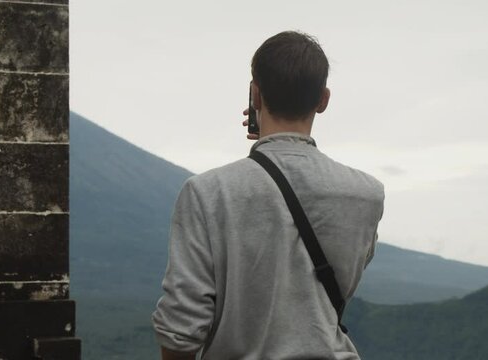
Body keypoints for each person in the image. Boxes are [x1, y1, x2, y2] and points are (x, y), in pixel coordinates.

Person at [152, 31, 385, 360]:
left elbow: (181, 331)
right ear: (323, 100)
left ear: (256, 95)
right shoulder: (367, 195)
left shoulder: (206, 192)